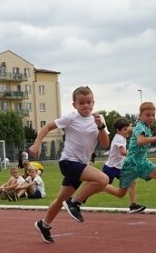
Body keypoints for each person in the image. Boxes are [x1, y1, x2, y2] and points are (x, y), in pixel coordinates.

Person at [29, 86, 111, 243]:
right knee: (103, 180)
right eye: (81, 103)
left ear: (93, 102)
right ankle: (75, 202)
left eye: (89, 102)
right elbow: (47, 127)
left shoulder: (98, 120)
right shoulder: (71, 118)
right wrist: (36, 144)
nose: (86, 106)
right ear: (74, 105)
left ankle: (44, 225)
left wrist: (101, 126)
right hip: (68, 162)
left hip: (80, 165)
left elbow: (105, 144)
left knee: (60, 199)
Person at [101, 102, 156, 221]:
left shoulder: (143, 127)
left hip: (142, 163)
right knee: (120, 193)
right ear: (140, 116)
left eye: (153, 115)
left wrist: (129, 129)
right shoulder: (140, 126)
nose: (151, 118)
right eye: (147, 115)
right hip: (130, 165)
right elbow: (140, 141)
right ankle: (101, 185)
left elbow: (131, 130)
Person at [100, 118, 145, 213]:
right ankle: (79, 199)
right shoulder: (119, 138)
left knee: (132, 182)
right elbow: (122, 152)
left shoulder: (122, 137)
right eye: (125, 129)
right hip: (111, 168)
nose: (127, 131)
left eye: (127, 129)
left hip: (120, 167)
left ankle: (133, 205)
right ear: (118, 130)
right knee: (99, 185)